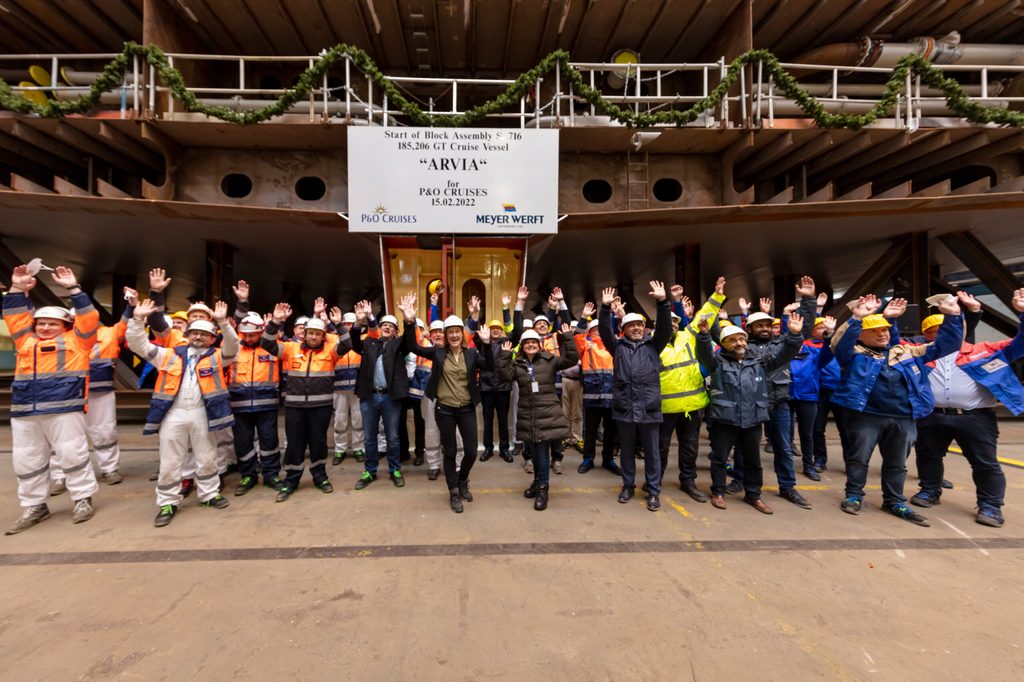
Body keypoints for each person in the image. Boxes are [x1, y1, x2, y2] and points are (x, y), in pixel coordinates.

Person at [831, 293, 964, 526]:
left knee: (897, 463)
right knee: (858, 458)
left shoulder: (908, 352)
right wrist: (856, 318)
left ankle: (894, 500)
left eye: (885, 330)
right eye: (875, 331)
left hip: (904, 417)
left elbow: (947, 345)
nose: (883, 334)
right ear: (861, 335)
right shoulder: (854, 354)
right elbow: (839, 344)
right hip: (867, 416)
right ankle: (853, 495)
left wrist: (953, 315)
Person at [910, 289, 1024, 527]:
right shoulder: (921, 354)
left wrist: (1022, 313)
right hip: (932, 415)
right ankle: (930, 490)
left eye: (949, 327)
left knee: (985, 462)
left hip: (976, 417)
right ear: (926, 335)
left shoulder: (986, 351)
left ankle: (990, 505)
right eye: (936, 331)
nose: (943, 333)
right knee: (928, 455)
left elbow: (1020, 344)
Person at [4, 264, 100, 534]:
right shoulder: (26, 341)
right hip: (25, 410)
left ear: (66, 325)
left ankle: (82, 498)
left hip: (64, 408)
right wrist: (16, 287)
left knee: (72, 454)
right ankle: (35, 505)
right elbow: (14, 316)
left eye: (52, 323)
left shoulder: (78, 341)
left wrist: (73, 289)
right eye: (41, 323)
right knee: (27, 459)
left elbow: (89, 317)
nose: (45, 327)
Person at [127, 298, 237, 527]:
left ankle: (209, 494)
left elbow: (233, 346)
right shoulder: (168, 354)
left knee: (207, 455)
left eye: (204, 334)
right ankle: (167, 501)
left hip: (203, 412)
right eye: (194, 333)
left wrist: (223, 322)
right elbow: (137, 344)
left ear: (211, 338)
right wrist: (137, 320)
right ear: (187, 334)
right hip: (173, 413)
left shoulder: (218, 357)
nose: (198, 337)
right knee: (170, 459)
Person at [696, 313, 805, 513]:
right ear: (723, 344)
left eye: (741, 339)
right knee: (719, 458)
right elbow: (703, 354)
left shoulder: (759, 363)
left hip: (753, 420)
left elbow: (785, 355)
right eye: (732, 340)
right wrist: (703, 334)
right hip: (724, 420)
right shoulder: (717, 363)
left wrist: (795, 335)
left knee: (753, 460)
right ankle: (718, 492)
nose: (739, 343)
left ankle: (753, 494)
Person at [399, 293, 494, 513]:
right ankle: (453, 490)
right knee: (449, 451)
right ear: (445, 335)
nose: (453, 335)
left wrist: (487, 344)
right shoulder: (438, 353)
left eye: (456, 332)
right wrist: (409, 320)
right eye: (449, 332)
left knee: (471, 451)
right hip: (445, 410)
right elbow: (413, 346)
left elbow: (490, 366)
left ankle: (462, 480)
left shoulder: (471, 354)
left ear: (462, 334)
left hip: (467, 409)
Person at [260, 303, 352, 501]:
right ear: (304, 334)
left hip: (321, 407)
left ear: (323, 336)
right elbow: (266, 344)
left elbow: (347, 345)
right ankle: (291, 481)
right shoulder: (290, 349)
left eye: (317, 334)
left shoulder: (330, 351)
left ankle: (320, 477)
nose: (313, 337)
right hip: (295, 408)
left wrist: (338, 325)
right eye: (310, 333)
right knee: (294, 444)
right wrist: (275, 322)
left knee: (318, 443)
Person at [599, 281, 673, 512]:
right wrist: (604, 308)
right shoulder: (617, 347)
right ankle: (628, 485)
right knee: (627, 450)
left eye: (640, 324)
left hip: (649, 406)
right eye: (631, 325)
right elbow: (603, 331)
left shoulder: (653, 346)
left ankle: (653, 491)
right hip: (625, 406)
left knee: (652, 453)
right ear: (624, 328)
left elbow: (665, 328)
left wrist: (663, 302)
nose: (637, 328)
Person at [657, 278, 727, 503]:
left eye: (676, 322)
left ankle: (688, 481)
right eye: (669, 323)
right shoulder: (654, 344)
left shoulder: (690, 336)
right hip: (665, 408)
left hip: (693, 406)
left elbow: (704, 316)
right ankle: (655, 482)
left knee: (690, 449)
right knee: (661, 449)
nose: (673, 325)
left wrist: (716, 297)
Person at [499, 325, 579, 510]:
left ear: (540, 344)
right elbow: (504, 376)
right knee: (533, 451)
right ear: (522, 346)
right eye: (527, 343)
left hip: (546, 413)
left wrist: (567, 337)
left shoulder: (549, 360)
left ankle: (543, 487)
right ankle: (537, 482)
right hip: (528, 414)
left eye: (534, 342)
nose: (531, 345)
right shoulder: (517, 364)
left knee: (542, 453)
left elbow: (572, 359)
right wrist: (504, 356)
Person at [350, 301, 411, 490]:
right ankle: (370, 471)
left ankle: (394, 470)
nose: (386, 327)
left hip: (389, 398)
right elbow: (353, 342)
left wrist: (409, 321)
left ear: (395, 332)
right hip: (369, 397)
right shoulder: (368, 343)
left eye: (391, 326)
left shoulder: (398, 346)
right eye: (384, 324)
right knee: (369, 437)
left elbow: (410, 340)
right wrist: (360, 323)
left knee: (393, 437)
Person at [229, 311, 283, 495]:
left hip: (267, 404)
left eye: (252, 334)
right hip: (239, 404)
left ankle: (271, 474)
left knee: (269, 440)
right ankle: (248, 475)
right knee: (243, 442)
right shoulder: (233, 348)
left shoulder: (273, 348)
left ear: (261, 332)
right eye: (245, 334)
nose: (249, 338)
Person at [574, 310, 620, 475]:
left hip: (612, 397)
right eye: (595, 329)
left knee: (610, 430)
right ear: (590, 332)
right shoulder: (586, 345)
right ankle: (588, 459)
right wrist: (583, 317)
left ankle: (608, 459)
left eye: (602, 329)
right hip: (592, 397)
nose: (599, 332)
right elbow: (577, 336)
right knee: (591, 430)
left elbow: (625, 335)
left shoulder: (614, 346)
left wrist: (618, 314)